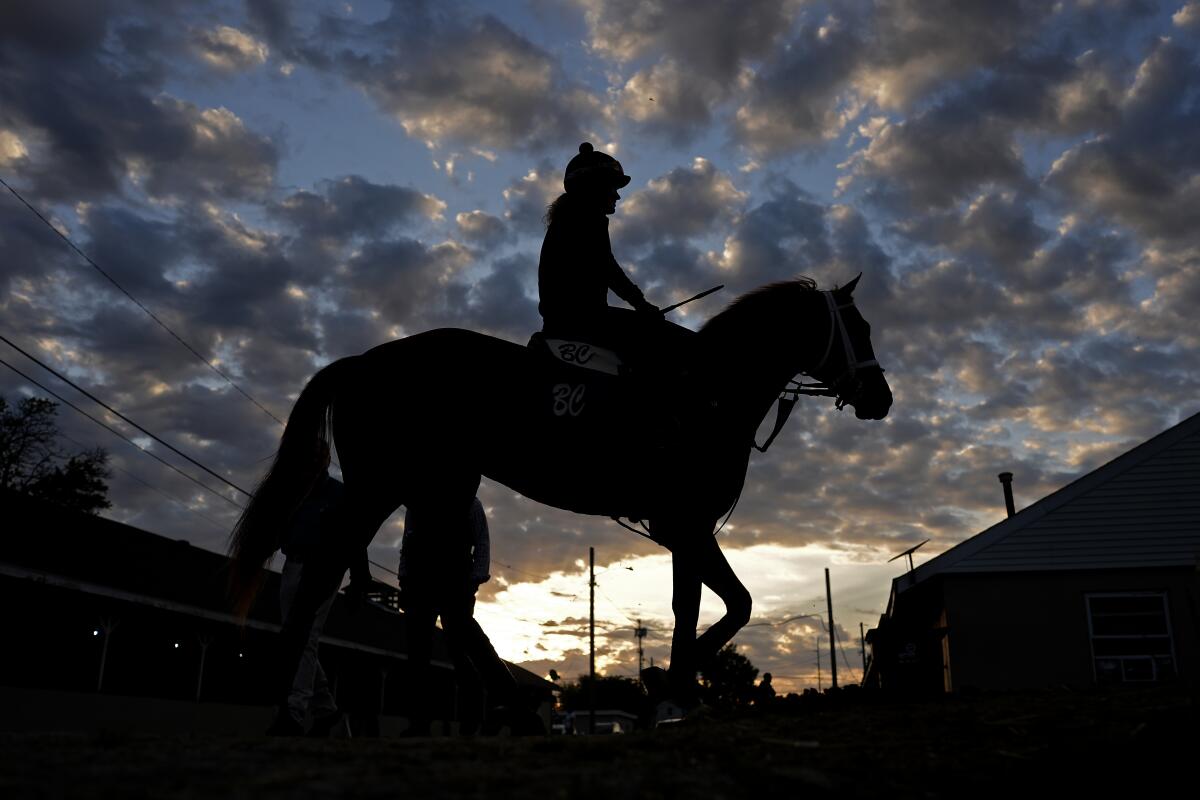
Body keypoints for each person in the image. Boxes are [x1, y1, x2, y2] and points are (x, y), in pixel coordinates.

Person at [399, 497, 532, 735]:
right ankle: (419, 722)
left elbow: (482, 542)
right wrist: (405, 577)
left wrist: (475, 579)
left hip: (456, 581)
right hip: (421, 582)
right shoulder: (417, 500)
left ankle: (507, 706)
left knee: (464, 648)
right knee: (418, 653)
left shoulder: (469, 502)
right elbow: (408, 540)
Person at [266, 471, 371, 737]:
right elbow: (279, 531)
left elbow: (356, 537)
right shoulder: (295, 494)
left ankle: (294, 711)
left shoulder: (339, 494)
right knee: (296, 637)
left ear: (324, 459)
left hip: (323, 570)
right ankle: (326, 711)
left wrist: (359, 578)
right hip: (292, 564)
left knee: (306, 636)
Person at [538, 142, 660, 354]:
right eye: (612, 188)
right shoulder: (584, 220)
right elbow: (606, 266)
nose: (617, 196)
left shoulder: (570, 219)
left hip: (569, 324)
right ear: (594, 187)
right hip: (579, 326)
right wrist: (641, 304)